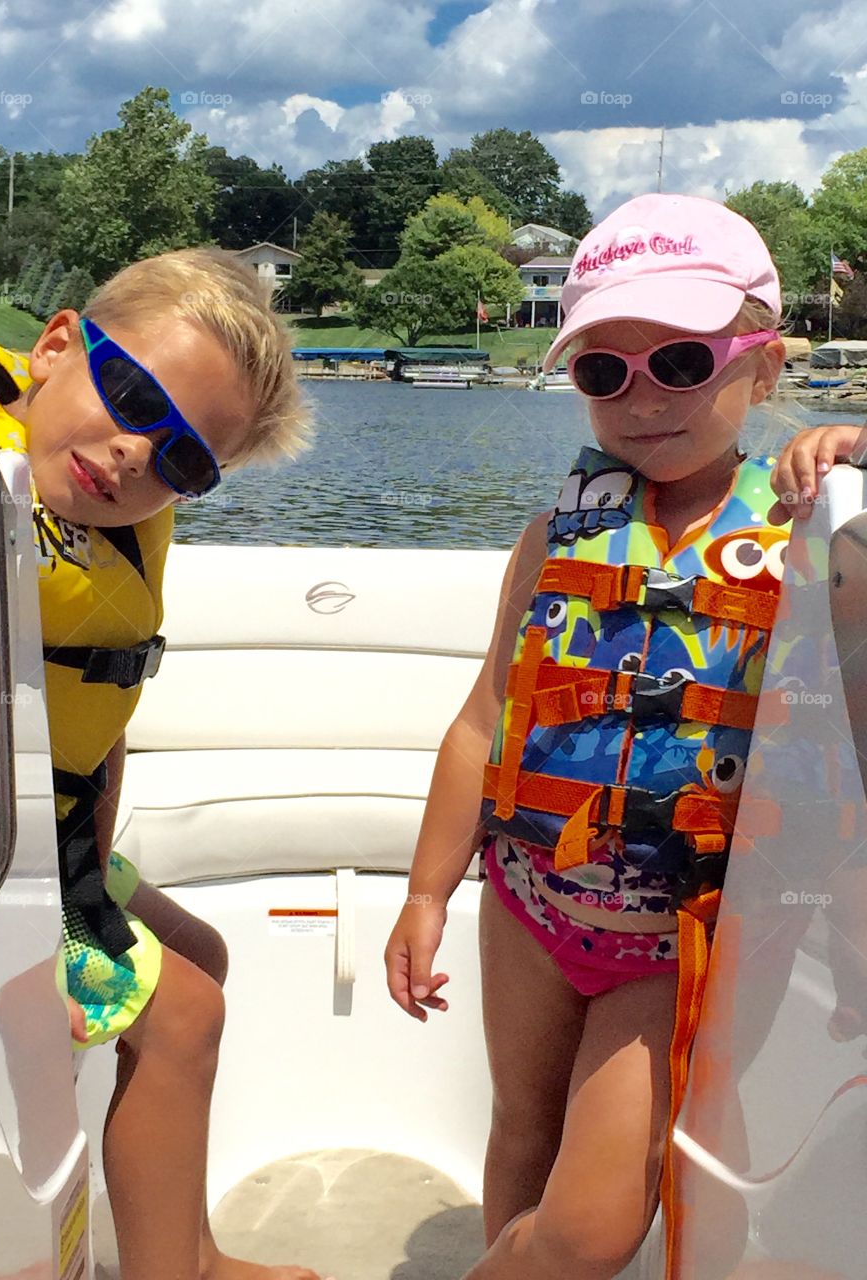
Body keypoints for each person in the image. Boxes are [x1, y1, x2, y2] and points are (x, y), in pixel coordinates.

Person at [385, 193, 788, 1280]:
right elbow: (484, 721)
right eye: (604, 372)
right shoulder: (555, 534)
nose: (641, 399)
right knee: (522, 1125)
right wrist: (428, 888)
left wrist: (846, 463)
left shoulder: (804, 533)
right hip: (528, 895)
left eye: (682, 362)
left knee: (592, 1225)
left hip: (674, 933)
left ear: (766, 364)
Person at [0, 247, 320, 1280]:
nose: (133, 454)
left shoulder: (127, 519)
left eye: (182, 460)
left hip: (59, 844)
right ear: (53, 346)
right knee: (187, 1014)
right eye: (129, 393)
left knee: (201, 951)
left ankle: (189, 1243)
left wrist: (96, 882)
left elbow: (105, 713)